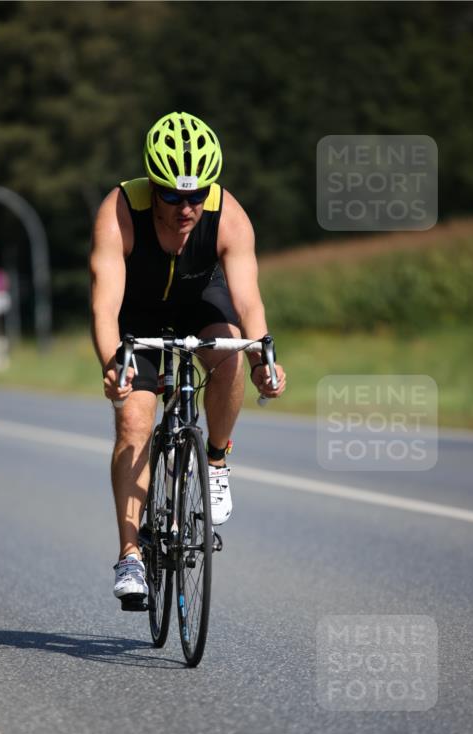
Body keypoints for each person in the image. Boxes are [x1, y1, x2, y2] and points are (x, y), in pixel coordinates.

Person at [89, 111, 287, 602]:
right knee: (135, 420)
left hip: (200, 301)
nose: (186, 208)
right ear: (152, 186)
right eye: (173, 195)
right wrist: (115, 365)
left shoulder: (229, 215)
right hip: (137, 314)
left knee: (231, 354)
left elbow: (248, 301)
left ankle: (215, 460)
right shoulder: (118, 213)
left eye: (196, 195)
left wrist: (265, 358)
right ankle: (130, 556)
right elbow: (104, 304)